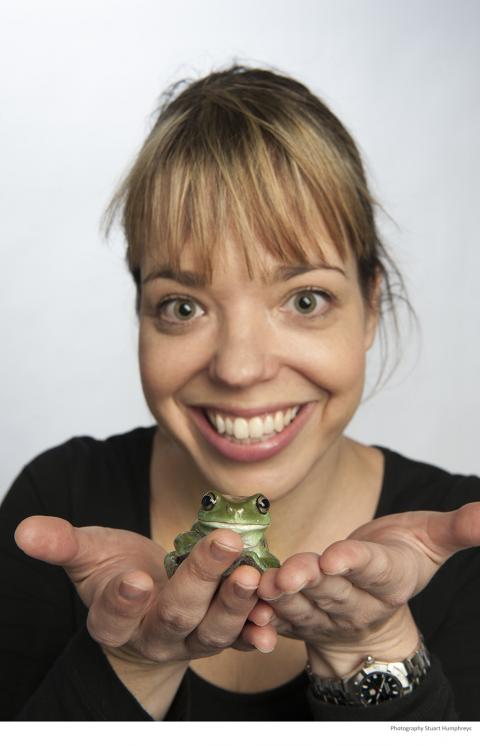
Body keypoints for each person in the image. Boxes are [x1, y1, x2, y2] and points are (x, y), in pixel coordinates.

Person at [1, 65, 479, 722]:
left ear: (370, 307)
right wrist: (135, 661)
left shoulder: (460, 538)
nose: (239, 368)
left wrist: (373, 644)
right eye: (183, 306)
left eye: (304, 299)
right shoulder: (60, 502)